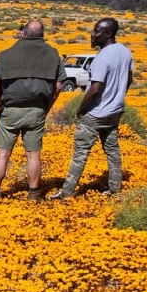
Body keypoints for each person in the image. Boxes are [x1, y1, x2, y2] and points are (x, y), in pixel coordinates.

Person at [50, 18, 133, 200]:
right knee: (112, 150)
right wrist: (118, 97)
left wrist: (80, 109)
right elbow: (129, 78)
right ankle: (114, 189)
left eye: (97, 31)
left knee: (80, 153)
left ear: (108, 34)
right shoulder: (125, 52)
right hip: (114, 112)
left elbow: (95, 88)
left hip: (95, 114)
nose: (92, 34)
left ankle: (66, 193)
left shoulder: (102, 57)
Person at [0, 19, 66, 201]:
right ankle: (34, 194)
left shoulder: (6, 54)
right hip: (36, 110)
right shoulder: (53, 54)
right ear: (42, 34)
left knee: (3, 154)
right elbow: (59, 86)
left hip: (10, 111)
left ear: (23, 33)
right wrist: (46, 108)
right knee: (33, 155)